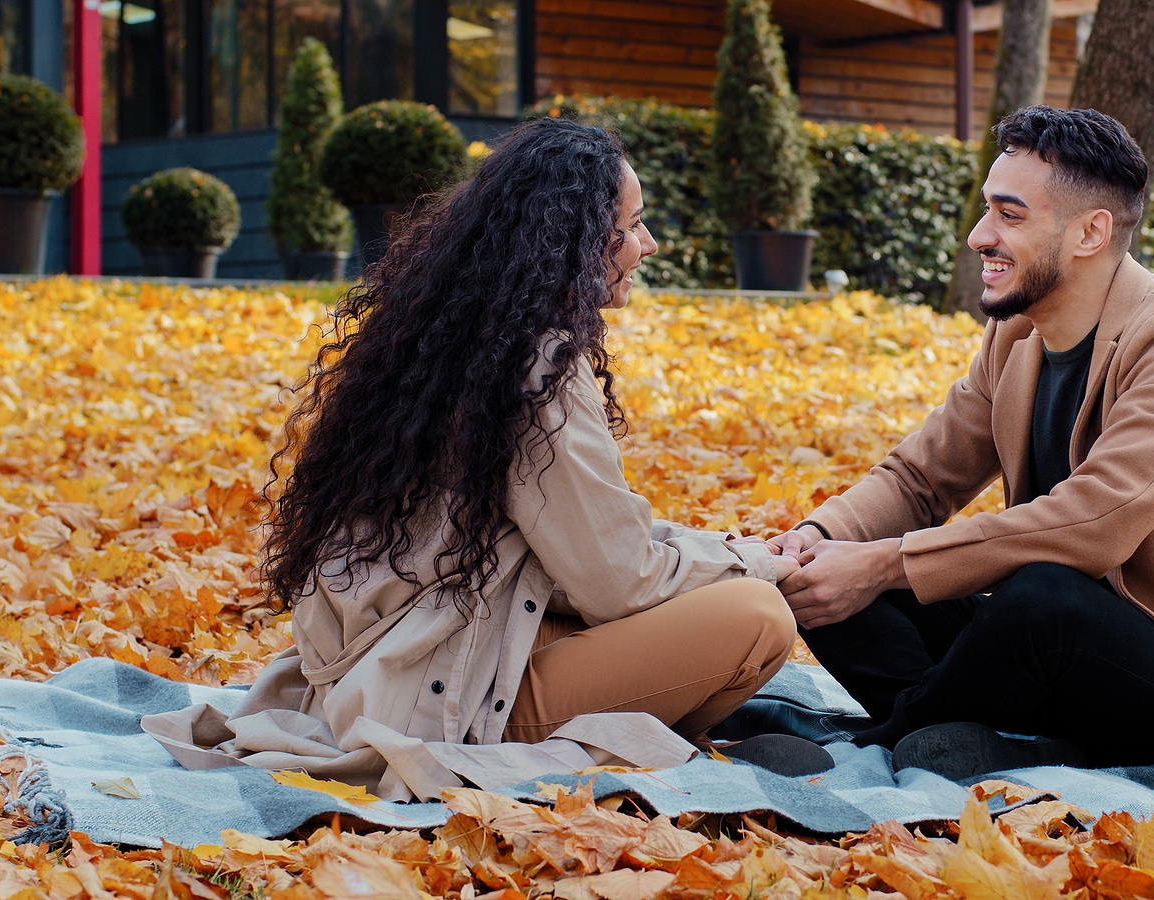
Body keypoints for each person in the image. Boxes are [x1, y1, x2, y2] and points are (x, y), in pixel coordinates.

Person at [143, 117, 821, 800]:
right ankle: (633, 747)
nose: (647, 245)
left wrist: (733, 549)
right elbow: (619, 578)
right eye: (634, 225)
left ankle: (651, 732)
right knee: (757, 618)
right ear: (578, 240)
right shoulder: (540, 362)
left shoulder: (448, 334)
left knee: (695, 597)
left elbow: (586, 549)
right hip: (443, 700)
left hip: (388, 665)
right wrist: (758, 563)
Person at [768, 106, 1154, 781]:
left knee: (1038, 599)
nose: (980, 236)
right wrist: (813, 538)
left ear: (1091, 232)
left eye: (1010, 216)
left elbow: (1097, 524)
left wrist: (883, 562)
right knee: (834, 576)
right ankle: (994, 740)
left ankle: (877, 742)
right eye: (987, 212)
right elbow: (921, 477)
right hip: (1046, 648)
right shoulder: (1017, 335)